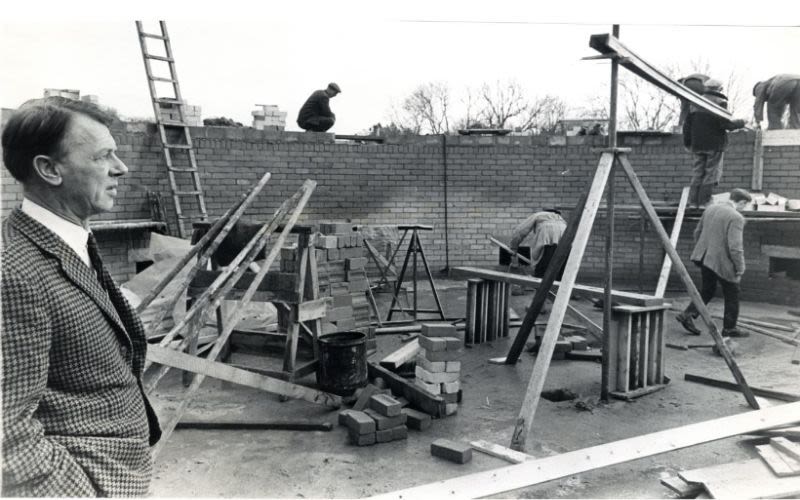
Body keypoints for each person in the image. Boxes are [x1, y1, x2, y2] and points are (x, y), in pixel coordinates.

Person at [1, 97, 161, 496]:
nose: (120, 168)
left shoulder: (69, 238)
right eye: (104, 156)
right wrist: (84, 490)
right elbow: (6, 436)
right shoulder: (12, 271)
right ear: (49, 169)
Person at [675, 188, 753, 338]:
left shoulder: (710, 209)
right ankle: (729, 329)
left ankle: (687, 314)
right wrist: (740, 268)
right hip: (720, 261)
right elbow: (735, 248)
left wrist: (703, 249)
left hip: (704, 257)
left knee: (707, 290)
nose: (744, 209)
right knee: (733, 293)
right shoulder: (736, 217)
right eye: (745, 205)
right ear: (742, 202)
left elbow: (697, 232)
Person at [682, 79, 746, 208]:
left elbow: (687, 125)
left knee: (697, 172)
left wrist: (688, 142)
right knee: (711, 173)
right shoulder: (721, 102)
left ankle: (693, 202)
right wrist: (741, 122)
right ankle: (704, 202)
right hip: (714, 145)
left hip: (697, 145)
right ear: (719, 89)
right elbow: (724, 124)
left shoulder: (694, 102)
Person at [509, 209, 567, 279]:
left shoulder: (538, 215)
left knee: (543, 258)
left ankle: (540, 277)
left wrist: (513, 247)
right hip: (564, 230)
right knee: (560, 261)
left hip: (546, 229)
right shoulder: (561, 219)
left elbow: (520, 231)